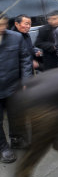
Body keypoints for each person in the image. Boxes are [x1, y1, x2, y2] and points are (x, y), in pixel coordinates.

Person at [0, 14, 32, 163]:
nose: (2, 28)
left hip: (13, 86)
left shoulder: (15, 37)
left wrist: (26, 80)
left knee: (15, 116)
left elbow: (25, 59)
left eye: (4, 25)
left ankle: (17, 139)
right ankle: (3, 148)